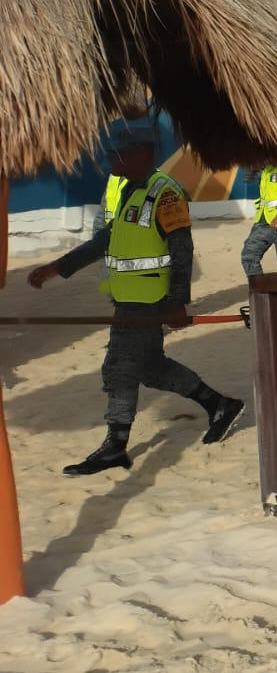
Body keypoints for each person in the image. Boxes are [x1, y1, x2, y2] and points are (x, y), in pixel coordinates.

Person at [27, 120, 244, 475]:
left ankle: (115, 445)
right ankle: (219, 404)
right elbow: (106, 241)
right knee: (150, 367)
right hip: (128, 299)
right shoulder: (131, 190)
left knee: (120, 368)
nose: (111, 162)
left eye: (117, 155)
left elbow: (182, 249)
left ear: (141, 154)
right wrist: (57, 268)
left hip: (150, 300)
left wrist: (177, 301)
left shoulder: (167, 193)